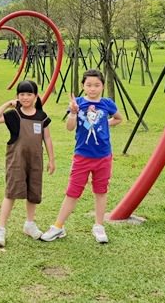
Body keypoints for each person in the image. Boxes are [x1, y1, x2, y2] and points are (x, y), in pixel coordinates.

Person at [41, 69, 123, 244]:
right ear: (83, 86)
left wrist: (104, 123)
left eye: (97, 85)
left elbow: (118, 118)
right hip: (82, 157)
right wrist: (73, 112)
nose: (93, 89)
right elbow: (70, 128)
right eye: (89, 85)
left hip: (103, 157)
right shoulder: (77, 103)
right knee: (73, 192)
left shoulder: (107, 103)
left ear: (102, 85)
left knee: (101, 191)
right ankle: (58, 226)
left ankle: (99, 226)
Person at [0, 80, 55, 247]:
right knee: (11, 192)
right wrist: (7, 104)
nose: (25, 97)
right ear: (17, 96)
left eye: (29, 94)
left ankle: (29, 224)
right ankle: (1, 229)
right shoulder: (14, 115)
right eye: (22, 94)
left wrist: (51, 159)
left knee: (34, 192)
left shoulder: (42, 116)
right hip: (16, 161)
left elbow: (47, 138)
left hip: (35, 161)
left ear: (35, 96)